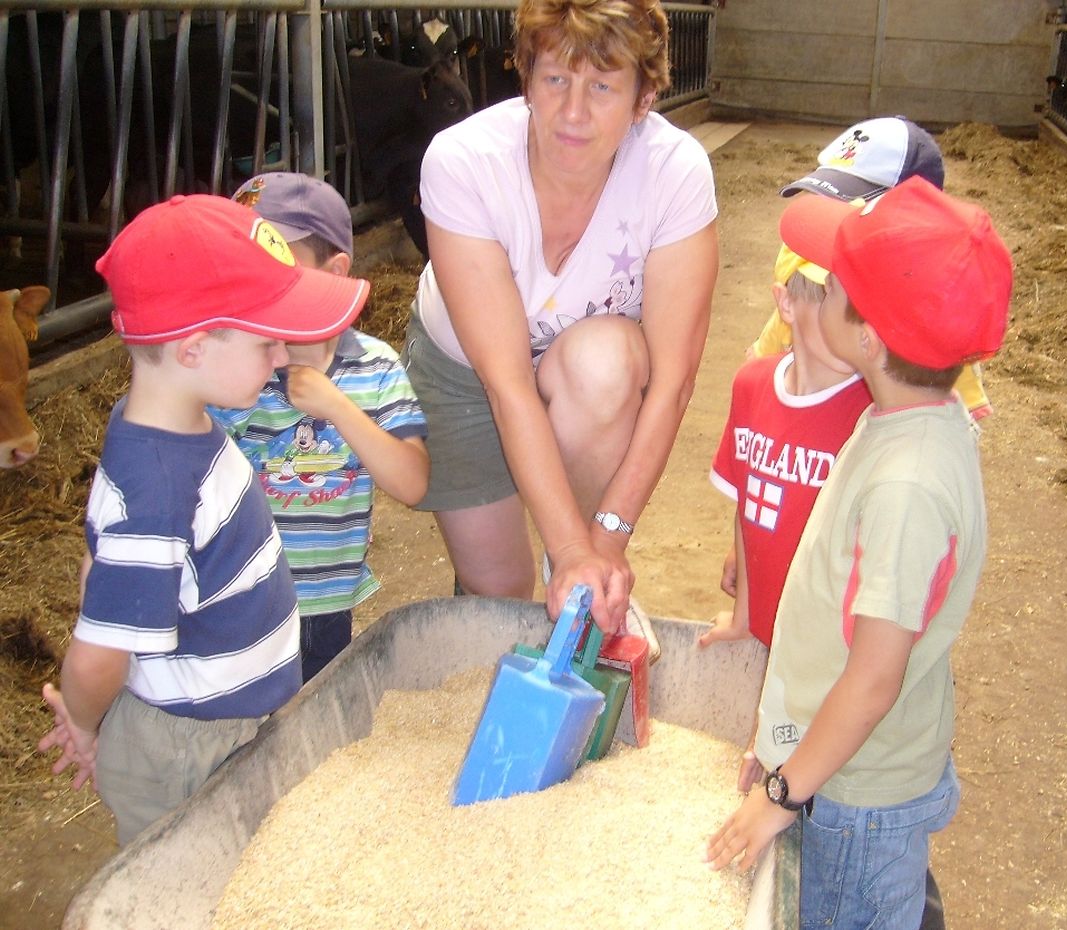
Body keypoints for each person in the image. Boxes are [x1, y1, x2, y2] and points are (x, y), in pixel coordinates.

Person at [706, 177, 1012, 930]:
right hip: (840, 767)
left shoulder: (907, 485)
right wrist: (781, 743)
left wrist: (783, 794)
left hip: (856, 797)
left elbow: (873, 680)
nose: (819, 284)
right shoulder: (911, 417)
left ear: (868, 338)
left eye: (835, 281)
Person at [37, 193, 370, 844]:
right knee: (193, 874)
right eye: (266, 341)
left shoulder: (175, 425)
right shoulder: (157, 489)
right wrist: (82, 722)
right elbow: (100, 652)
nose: (282, 357)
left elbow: (95, 565)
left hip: (224, 721)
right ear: (192, 349)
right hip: (189, 748)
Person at [400, 0, 718, 633]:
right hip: (469, 371)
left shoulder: (674, 173)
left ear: (643, 98)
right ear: (526, 77)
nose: (573, 112)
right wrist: (573, 547)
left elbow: (674, 381)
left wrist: (603, 542)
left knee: (606, 361)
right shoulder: (463, 162)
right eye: (555, 78)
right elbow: (506, 382)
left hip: (583, 368)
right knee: (501, 594)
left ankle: (580, 584)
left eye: (602, 86)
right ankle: (557, 571)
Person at [214, 172, 430, 682]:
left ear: (334, 272)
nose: (253, 283)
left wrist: (338, 408)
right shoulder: (229, 367)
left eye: (273, 263)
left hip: (325, 607)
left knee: (316, 722)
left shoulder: (374, 368)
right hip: (240, 602)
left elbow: (412, 483)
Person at [748, 116, 993, 421]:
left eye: (855, 205)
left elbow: (955, 423)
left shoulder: (935, 319)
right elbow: (762, 364)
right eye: (827, 201)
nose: (834, 218)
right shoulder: (805, 265)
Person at [700, 222, 871, 650]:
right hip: (772, 628)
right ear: (787, 303)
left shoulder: (872, 409)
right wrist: (744, 615)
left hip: (834, 645)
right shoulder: (752, 385)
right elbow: (749, 500)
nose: (853, 321)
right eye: (830, 298)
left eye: (863, 302)